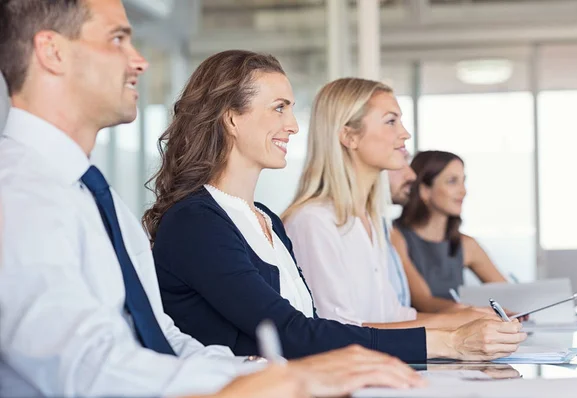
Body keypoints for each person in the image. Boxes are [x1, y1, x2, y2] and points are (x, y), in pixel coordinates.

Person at [0, 1, 423, 397]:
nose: (140, 60)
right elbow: (83, 367)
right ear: (51, 51)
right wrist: (269, 382)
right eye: (117, 39)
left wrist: (266, 374)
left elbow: (162, 337)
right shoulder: (16, 195)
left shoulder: (97, 197)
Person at [146, 51, 526, 365]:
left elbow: (310, 327)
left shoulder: (266, 220)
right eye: (279, 108)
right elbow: (292, 334)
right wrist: (451, 341)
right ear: (231, 117)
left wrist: (455, 331)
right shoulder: (196, 222)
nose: (293, 126)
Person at [281, 78, 495, 332]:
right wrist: (454, 326)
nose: (405, 134)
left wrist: (466, 318)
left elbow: (390, 315)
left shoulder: (370, 221)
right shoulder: (313, 221)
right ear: (349, 136)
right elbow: (337, 329)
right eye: (391, 121)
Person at [393, 150, 508, 311]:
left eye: (463, 181)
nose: (463, 191)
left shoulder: (466, 244)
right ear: (424, 190)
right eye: (452, 181)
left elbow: (507, 294)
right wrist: (477, 311)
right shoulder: (395, 236)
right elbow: (424, 302)